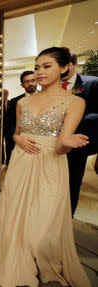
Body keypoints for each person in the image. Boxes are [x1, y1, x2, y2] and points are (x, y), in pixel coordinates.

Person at [0, 47, 91, 287]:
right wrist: (17, 139)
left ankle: (40, 256)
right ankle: (17, 254)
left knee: (43, 222)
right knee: (16, 212)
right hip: (21, 160)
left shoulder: (75, 102)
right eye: (36, 67)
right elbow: (15, 134)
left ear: (64, 68)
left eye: (46, 66)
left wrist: (68, 142)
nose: (39, 72)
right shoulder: (23, 102)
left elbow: (60, 146)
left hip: (51, 163)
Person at [62, 53, 98, 215]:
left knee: (71, 186)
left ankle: (66, 221)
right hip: (50, 145)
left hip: (76, 148)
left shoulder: (92, 83)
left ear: (75, 65)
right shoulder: (50, 85)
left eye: (66, 63)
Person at [3, 71, 37, 165]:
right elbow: (12, 123)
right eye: (27, 81)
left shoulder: (47, 98)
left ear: (36, 81)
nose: (30, 83)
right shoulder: (15, 101)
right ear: (22, 85)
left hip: (40, 141)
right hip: (20, 140)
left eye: (33, 80)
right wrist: (15, 139)